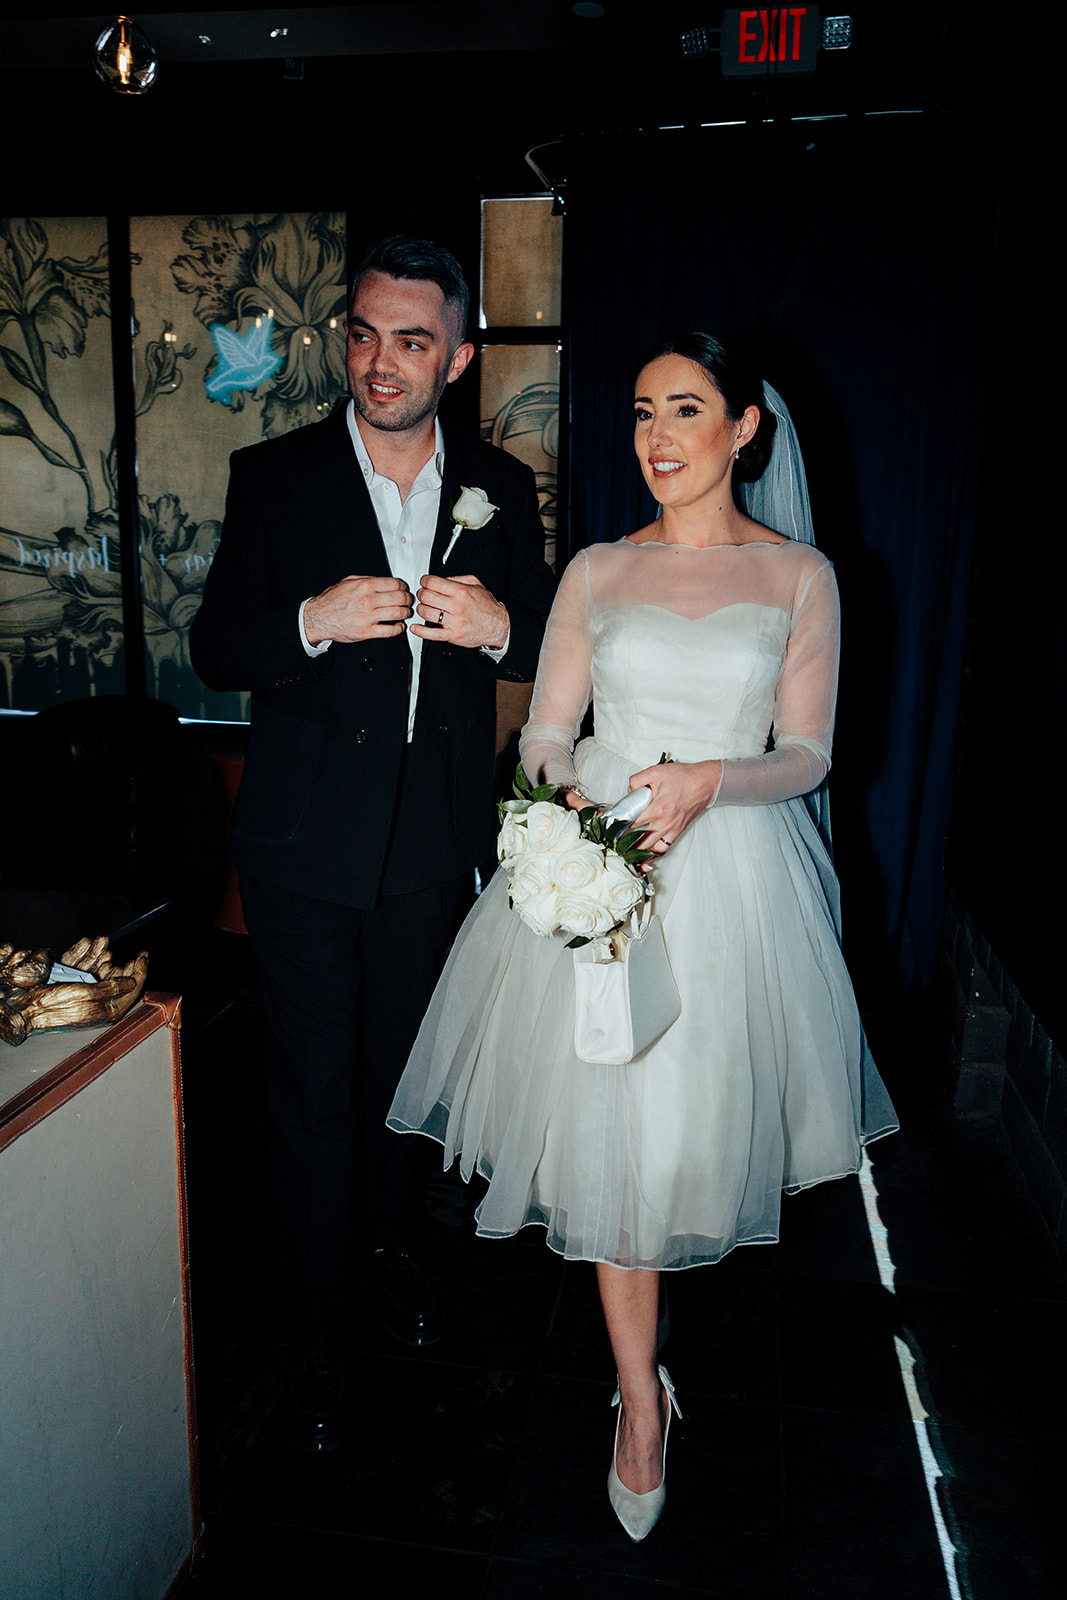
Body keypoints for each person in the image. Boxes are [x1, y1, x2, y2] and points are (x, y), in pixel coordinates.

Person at [387, 332, 898, 1538]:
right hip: (599, 874)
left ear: (743, 430)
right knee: (608, 1150)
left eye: (685, 410)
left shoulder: (799, 576)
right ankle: (635, 1402)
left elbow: (811, 755)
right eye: (639, 412)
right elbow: (548, 731)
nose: (656, 437)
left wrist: (710, 778)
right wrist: (569, 801)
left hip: (728, 884)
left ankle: (647, 1372)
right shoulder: (599, 571)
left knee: (681, 1144)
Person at [189, 235, 556, 1451]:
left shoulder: (499, 487)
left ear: (455, 356)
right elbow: (215, 645)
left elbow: (560, 646)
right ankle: (313, 1330)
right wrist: (307, 619)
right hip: (298, 849)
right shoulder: (274, 476)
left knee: (405, 1082)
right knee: (309, 1092)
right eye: (362, 333)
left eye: (409, 340)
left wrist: (505, 624)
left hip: (430, 847)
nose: (379, 361)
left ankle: (393, 1253)